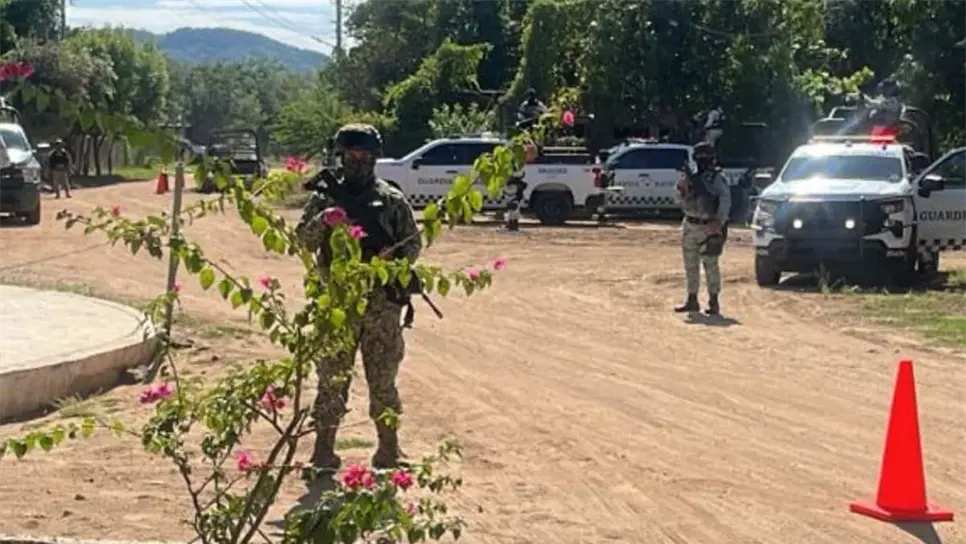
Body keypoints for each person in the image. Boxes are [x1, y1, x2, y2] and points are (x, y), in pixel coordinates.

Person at [295, 123, 422, 472]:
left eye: (365, 155)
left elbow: (412, 243)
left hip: (381, 304)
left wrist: (392, 260)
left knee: (382, 378)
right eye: (351, 155)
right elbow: (302, 242)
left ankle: (389, 450)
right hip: (336, 303)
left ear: (375, 158)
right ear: (341, 156)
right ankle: (323, 451)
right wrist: (324, 220)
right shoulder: (324, 198)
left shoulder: (392, 199)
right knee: (332, 377)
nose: (358, 161)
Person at [674, 142, 731, 315]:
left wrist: (719, 222)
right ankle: (692, 299)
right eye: (699, 157)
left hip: (709, 225)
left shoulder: (716, 178)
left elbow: (725, 200)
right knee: (690, 265)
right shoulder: (691, 177)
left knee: (710, 264)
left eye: (705, 157)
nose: (702, 160)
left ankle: (714, 301)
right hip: (691, 223)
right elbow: (678, 200)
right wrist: (683, 190)